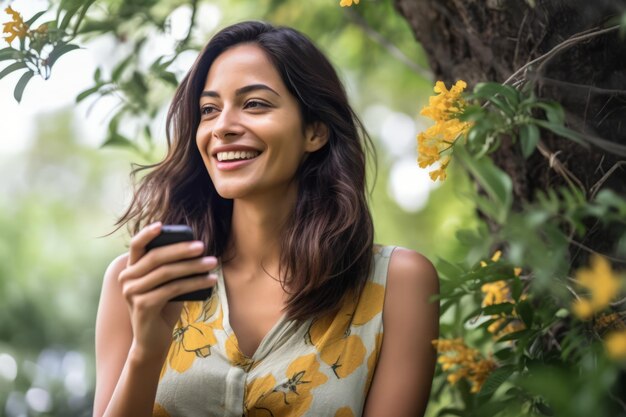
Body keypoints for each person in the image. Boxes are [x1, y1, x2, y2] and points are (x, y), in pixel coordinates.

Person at [93, 21, 439, 417]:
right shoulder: (139, 282)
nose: (222, 127)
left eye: (255, 103)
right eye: (209, 110)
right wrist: (146, 351)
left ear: (315, 131)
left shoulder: (397, 284)